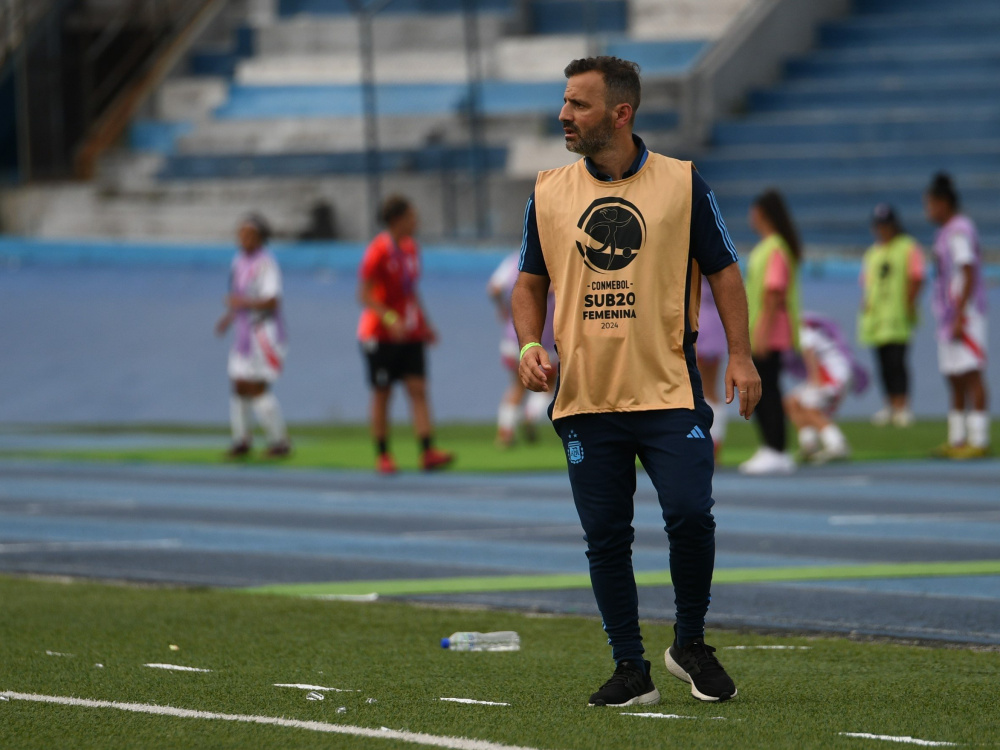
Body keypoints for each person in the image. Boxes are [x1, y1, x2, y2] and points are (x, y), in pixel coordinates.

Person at [512, 56, 761, 707]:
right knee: (606, 539)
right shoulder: (548, 192)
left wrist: (741, 354)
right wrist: (530, 344)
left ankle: (690, 643)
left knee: (689, 514)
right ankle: (631, 667)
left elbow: (726, 272)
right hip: (585, 402)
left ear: (620, 114)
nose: (564, 115)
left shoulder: (682, 185)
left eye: (579, 105)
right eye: (564, 102)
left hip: (668, 395)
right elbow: (528, 284)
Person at [357, 194, 454, 474]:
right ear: (398, 219)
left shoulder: (412, 249)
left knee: (418, 389)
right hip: (379, 335)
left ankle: (427, 451)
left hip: (410, 334)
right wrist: (389, 318)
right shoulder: (378, 251)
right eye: (412, 216)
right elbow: (364, 294)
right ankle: (383, 454)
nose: (417, 222)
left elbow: (411, 291)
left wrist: (424, 324)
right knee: (383, 393)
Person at [925, 173, 991, 458]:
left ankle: (979, 438)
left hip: (965, 313)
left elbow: (967, 271)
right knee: (953, 376)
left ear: (943, 203)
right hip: (949, 313)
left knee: (971, 373)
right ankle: (957, 438)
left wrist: (960, 315)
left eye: (930, 204)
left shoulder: (959, 231)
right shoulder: (945, 232)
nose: (927, 210)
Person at [215, 213, 291, 458]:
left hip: (263, 333)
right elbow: (238, 295)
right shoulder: (238, 261)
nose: (244, 239)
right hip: (243, 332)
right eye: (241, 234)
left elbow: (272, 301)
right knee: (238, 384)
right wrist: (229, 317)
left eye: (249, 234)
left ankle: (280, 442)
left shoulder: (266, 263)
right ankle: (242, 439)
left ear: (261, 237)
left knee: (256, 386)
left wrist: (241, 303)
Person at [739, 189, 802, 475]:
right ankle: (772, 447)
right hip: (763, 329)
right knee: (768, 389)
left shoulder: (774, 247)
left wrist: (761, 331)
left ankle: (776, 448)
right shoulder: (770, 246)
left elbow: (773, 293)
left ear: (762, 213)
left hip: (769, 331)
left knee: (768, 391)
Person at [858, 203, 925, 428]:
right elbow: (868, 284)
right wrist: (866, 307)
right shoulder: (873, 252)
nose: (882, 229)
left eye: (886, 225)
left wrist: (909, 303)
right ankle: (889, 405)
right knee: (883, 364)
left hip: (898, 316)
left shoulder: (908, 247)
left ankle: (902, 406)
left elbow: (917, 277)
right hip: (877, 319)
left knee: (898, 362)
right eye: (879, 225)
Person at [487, 251, 555, 447]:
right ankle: (530, 415)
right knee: (549, 383)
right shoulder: (552, 260)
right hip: (544, 338)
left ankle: (505, 431)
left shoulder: (514, 260)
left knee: (517, 385)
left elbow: (494, 288)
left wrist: (502, 309)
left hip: (515, 336)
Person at [786, 312, 869, 463]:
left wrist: (815, 382)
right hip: (829, 372)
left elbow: (808, 351)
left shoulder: (801, 328)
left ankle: (837, 445)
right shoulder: (805, 325)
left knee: (810, 407)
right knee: (791, 402)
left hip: (833, 374)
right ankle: (809, 445)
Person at [696, 277, 729, 456]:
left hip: (704, 324)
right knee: (707, 390)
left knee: (705, 390)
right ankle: (713, 442)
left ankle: (713, 443)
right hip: (710, 323)